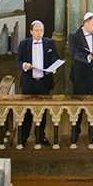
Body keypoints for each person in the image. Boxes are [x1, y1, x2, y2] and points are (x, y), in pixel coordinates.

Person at [16, 19, 60, 147]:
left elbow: (55, 58)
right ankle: (24, 137)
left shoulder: (49, 43)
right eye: (37, 30)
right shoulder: (24, 44)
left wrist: (53, 67)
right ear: (31, 31)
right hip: (29, 83)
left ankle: (40, 136)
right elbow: (18, 61)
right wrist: (25, 65)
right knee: (27, 112)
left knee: (42, 112)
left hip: (43, 83)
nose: (39, 33)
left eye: (41, 30)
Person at [68, 13, 93, 143]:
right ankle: (75, 131)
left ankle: (92, 130)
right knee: (78, 105)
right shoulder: (74, 36)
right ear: (86, 23)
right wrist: (88, 58)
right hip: (80, 76)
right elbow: (74, 54)